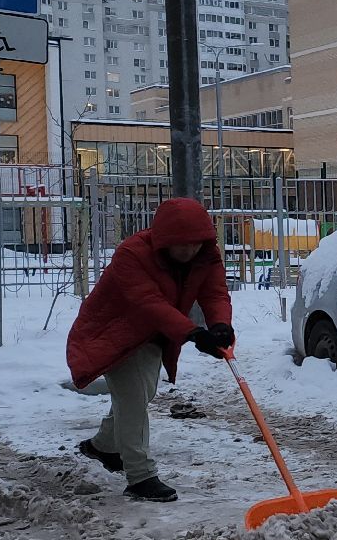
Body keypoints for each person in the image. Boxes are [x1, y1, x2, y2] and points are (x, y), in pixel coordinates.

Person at [66, 197, 235, 502]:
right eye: (181, 244)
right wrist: (193, 333)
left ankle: (103, 446)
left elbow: (215, 292)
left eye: (195, 243)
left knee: (142, 394)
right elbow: (148, 303)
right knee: (132, 400)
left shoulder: (206, 256)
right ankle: (140, 477)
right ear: (163, 239)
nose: (188, 250)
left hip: (155, 335)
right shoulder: (132, 254)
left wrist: (220, 325)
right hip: (114, 332)